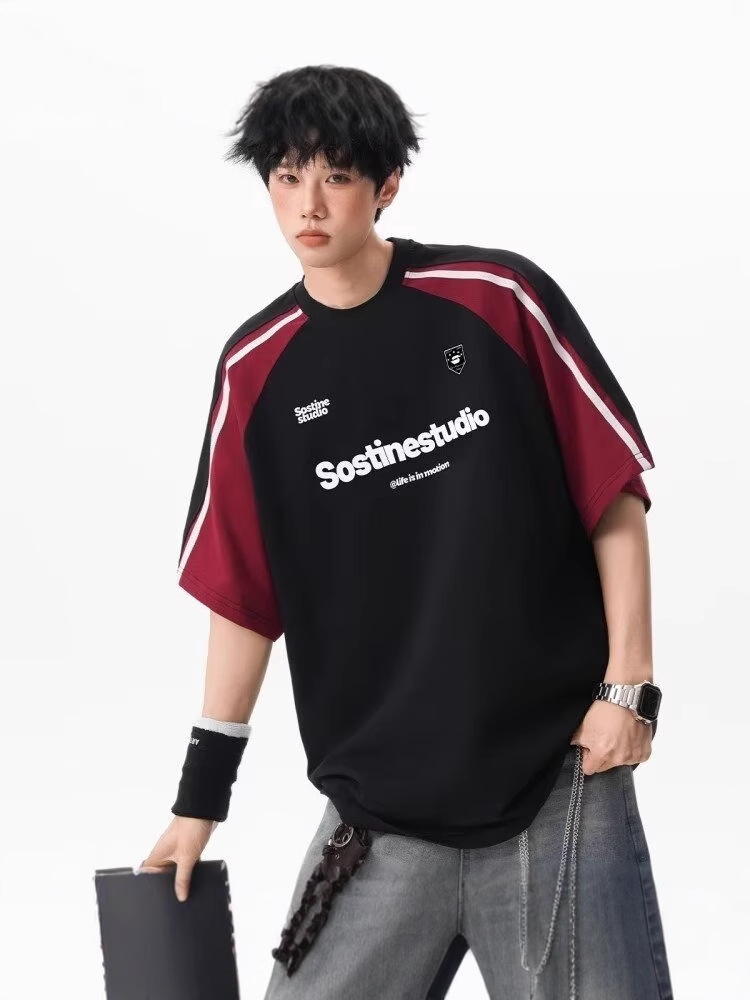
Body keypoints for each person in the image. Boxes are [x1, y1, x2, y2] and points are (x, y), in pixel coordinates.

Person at [139, 64, 673, 999]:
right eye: (287, 177)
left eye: (338, 176)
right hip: (378, 819)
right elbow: (243, 598)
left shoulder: (498, 297)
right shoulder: (255, 370)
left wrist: (628, 690)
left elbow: (612, 496)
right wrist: (199, 801)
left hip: (557, 784)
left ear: (387, 185)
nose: (310, 204)